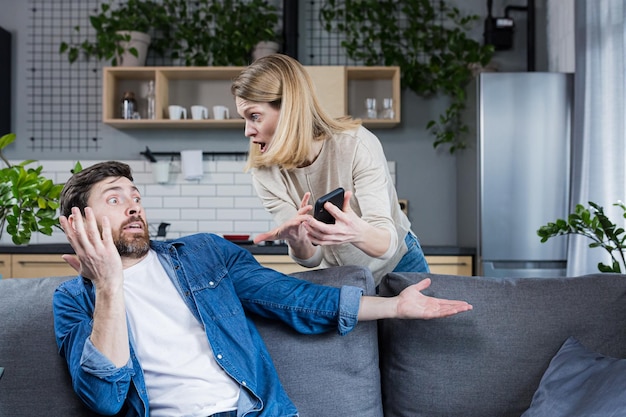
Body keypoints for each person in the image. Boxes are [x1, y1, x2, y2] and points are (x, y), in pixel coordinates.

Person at [53, 161, 472, 417]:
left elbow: (291, 297)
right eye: (114, 199)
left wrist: (395, 307)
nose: (134, 206)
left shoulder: (203, 253)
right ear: (77, 223)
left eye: (137, 196)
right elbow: (105, 400)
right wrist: (107, 283)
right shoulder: (73, 300)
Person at [232, 54, 429, 286]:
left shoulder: (356, 145)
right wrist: (298, 241)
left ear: (289, 110)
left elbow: (386, 245)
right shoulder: (265, 173)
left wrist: (356, 232)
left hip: (400, 264)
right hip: (342, 277)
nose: (247, 131)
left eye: (254, 116)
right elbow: (313, 259)